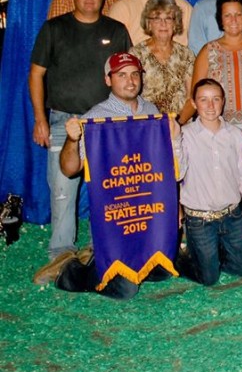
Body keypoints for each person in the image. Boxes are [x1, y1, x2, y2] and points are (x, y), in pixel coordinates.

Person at [37, 52, 180, 296]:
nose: (130, 81)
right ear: (108, 80)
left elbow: (165, 169)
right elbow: (69, 169)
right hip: (115, 226)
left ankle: (99, 261)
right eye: (121, 75)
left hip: (146, 220)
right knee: (126, 290)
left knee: (162, 269)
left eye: (135, 74)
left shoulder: (152, 112)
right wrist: (73, 139)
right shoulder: (95, 118)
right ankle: (71, 272)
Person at [28, 0, 131, 265]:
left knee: (111, 190)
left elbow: (127, 78)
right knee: (62, 192)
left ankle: (107, 248)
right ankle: (61, 255)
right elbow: (36, 74)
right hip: (63, 121)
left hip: (106, 125)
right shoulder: (53, 29)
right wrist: (40, 119)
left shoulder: (116, 31)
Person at [177, 78, 242, 286]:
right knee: (209, 279)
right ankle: (183, 256)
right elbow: (176, 174)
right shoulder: (185, 136)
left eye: (216, 99)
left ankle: (212, 253)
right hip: (200, 219)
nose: (210, 106)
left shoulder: (234, 135)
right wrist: (174, 141)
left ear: (223, 102)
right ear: (194, 104)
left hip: (231, 215)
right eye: (203, 100)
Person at [129, 0, 196, 125]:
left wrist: (178, 123)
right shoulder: (136, 54)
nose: (163, 24)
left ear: (175, 23)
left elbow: (192, 98)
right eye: (157, 18)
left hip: (181, 125)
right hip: (146, 126)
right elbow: (130, 98)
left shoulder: (186, 55)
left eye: (168, 18)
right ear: (149, 23)